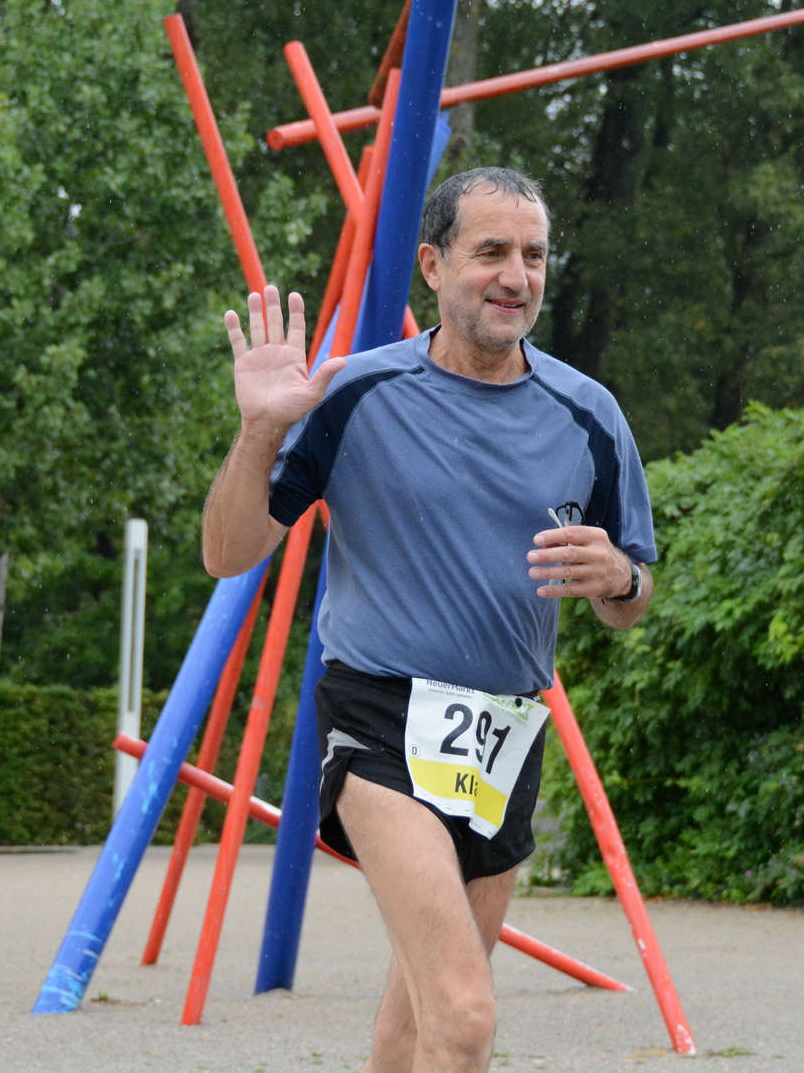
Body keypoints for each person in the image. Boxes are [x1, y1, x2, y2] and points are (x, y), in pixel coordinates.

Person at [201, 166, 656, 1072]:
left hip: (506, 734)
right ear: (434, 265)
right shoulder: (354, 394)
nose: (516, 276)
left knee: (416, 1025)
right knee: (465, 1012)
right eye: (491, 252)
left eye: (534, 255)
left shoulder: (590, 414)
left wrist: (619, 577)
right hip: (378, 718)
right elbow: (227, 552)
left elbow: (630, 601)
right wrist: (258, 431)